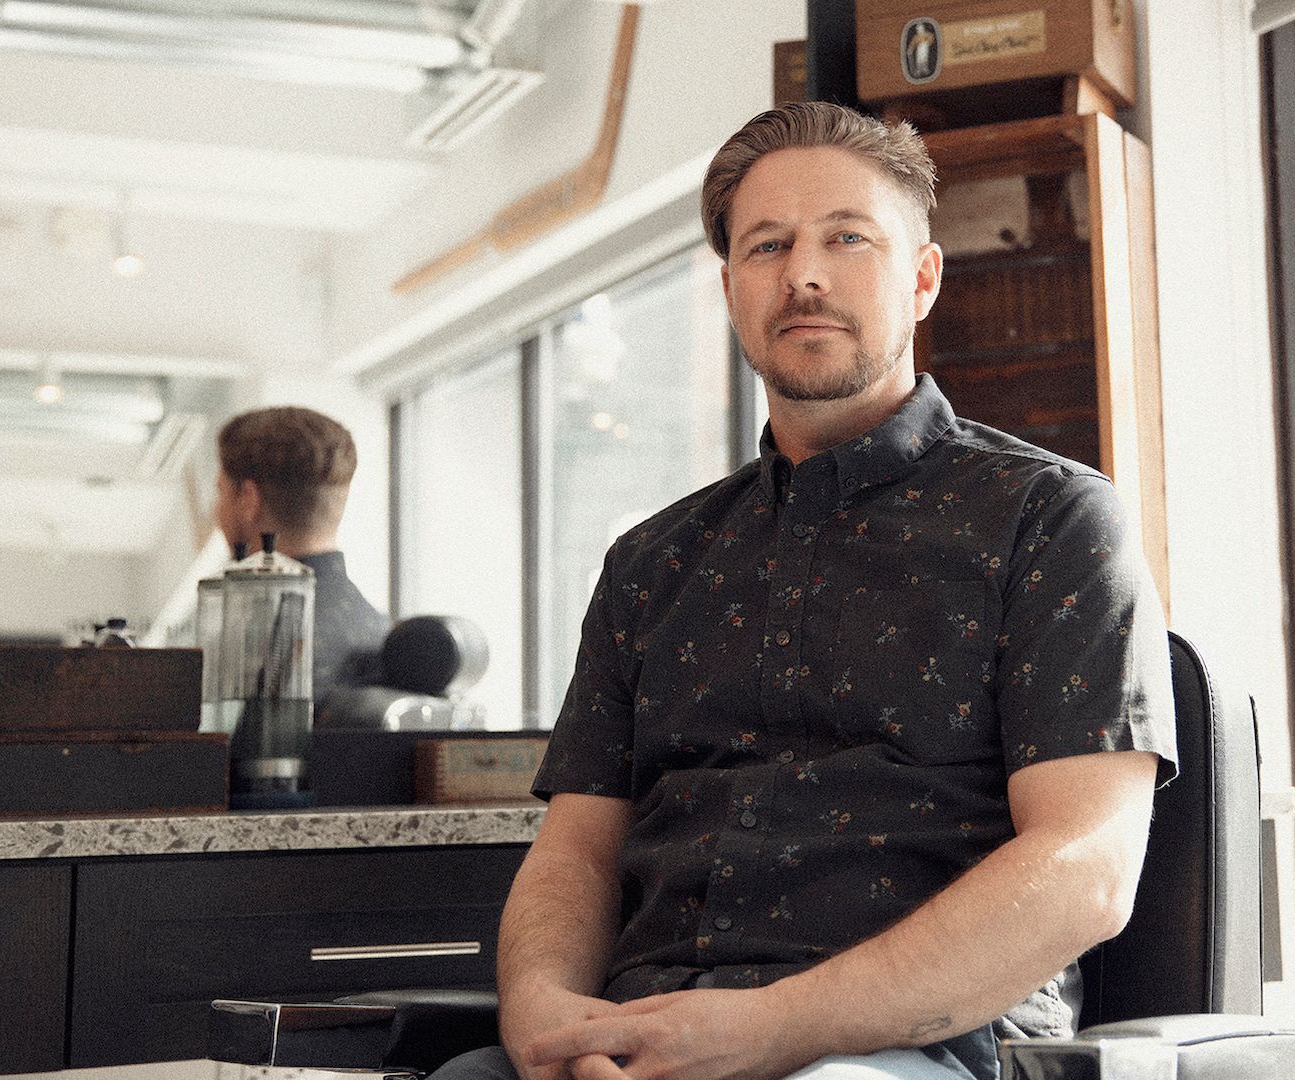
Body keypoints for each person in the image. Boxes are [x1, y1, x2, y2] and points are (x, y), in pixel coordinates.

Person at [434, 101, 1177, 1080]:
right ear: (732, 287)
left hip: (906, 1052)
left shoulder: (1047, 519)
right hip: (638, 1045)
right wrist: (542, 1018)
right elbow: (573, 854)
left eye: (845, 238)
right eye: (766, 245)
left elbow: (1083, 869)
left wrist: (765, 1031)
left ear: (920, 278)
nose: (804, 275)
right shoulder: (648, 565)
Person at [214, 405, 390, 697]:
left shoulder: (257, 648)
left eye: (220, 493)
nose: (216, 512)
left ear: (249, 500)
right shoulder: (381, 632)